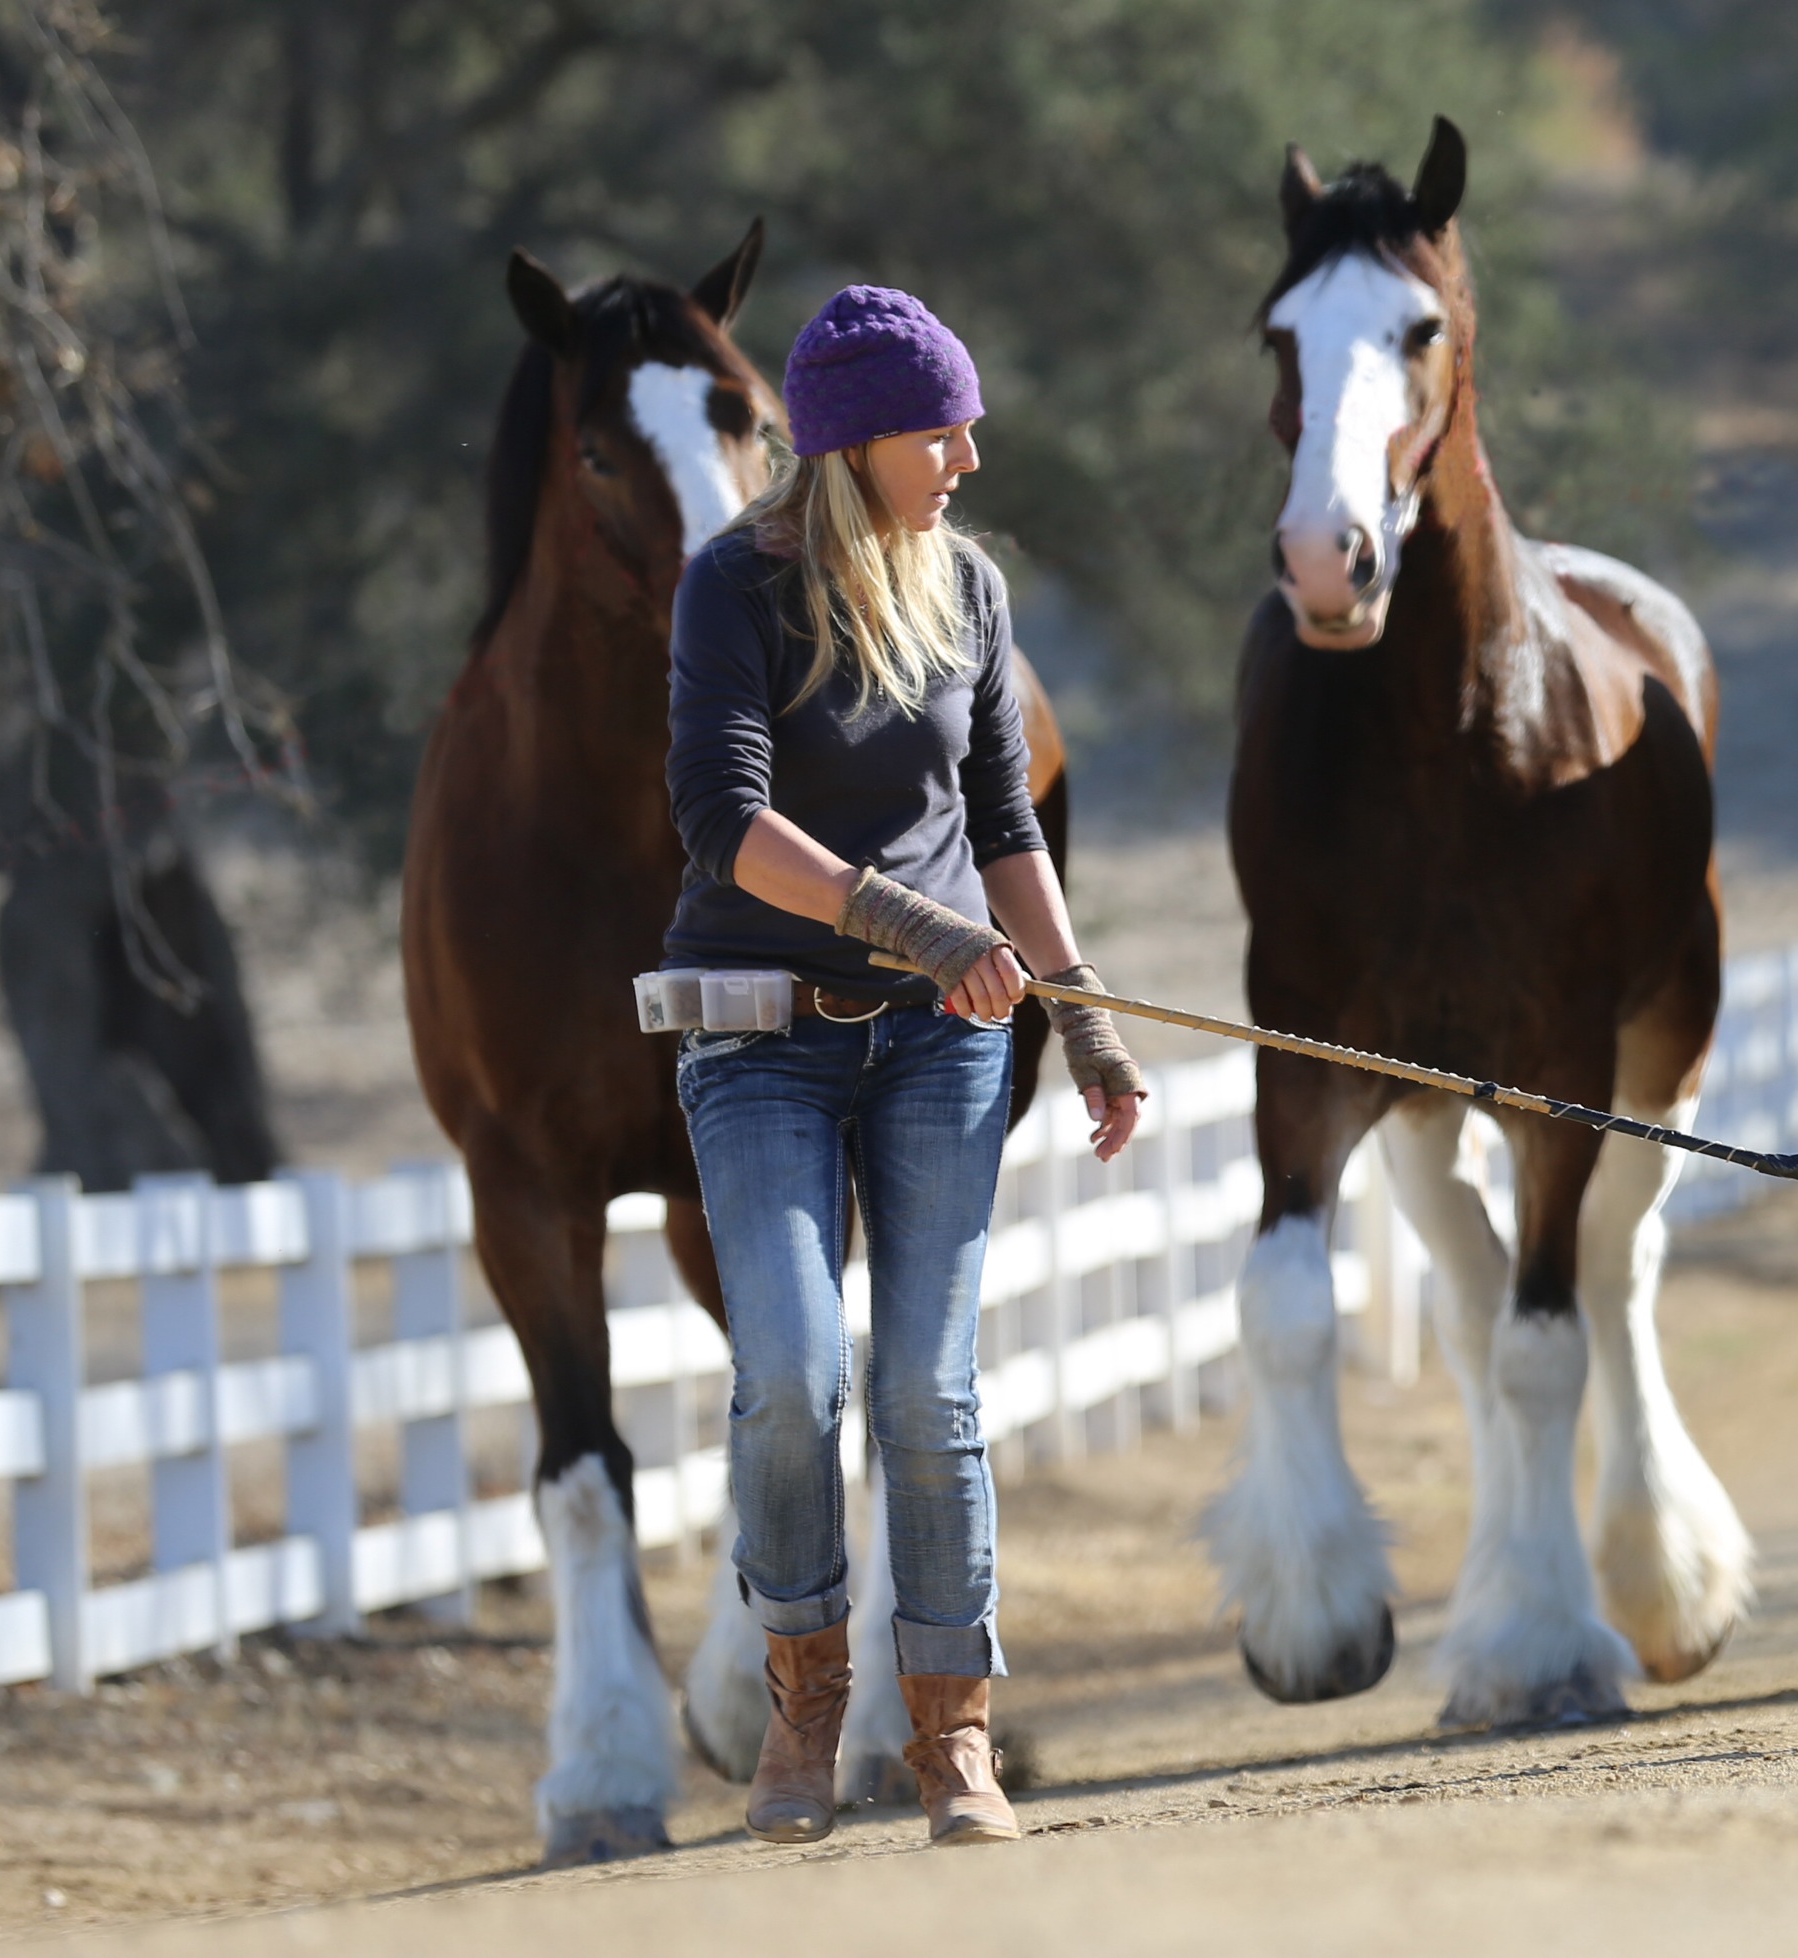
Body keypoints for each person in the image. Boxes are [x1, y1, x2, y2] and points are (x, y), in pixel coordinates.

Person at [664, 285, 1144, 1849]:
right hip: (760, 1039)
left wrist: (1085, 1021)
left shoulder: (972, 592)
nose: (971, 456)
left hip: (942, 1052)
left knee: (927, 1392)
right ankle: (806, 1705)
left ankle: (953, 1742)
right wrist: (910, 928)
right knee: (792, 1377)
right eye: (946, 428)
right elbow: (724, 822)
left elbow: (1004, 828)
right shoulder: (731, 588)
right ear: (859, 441)